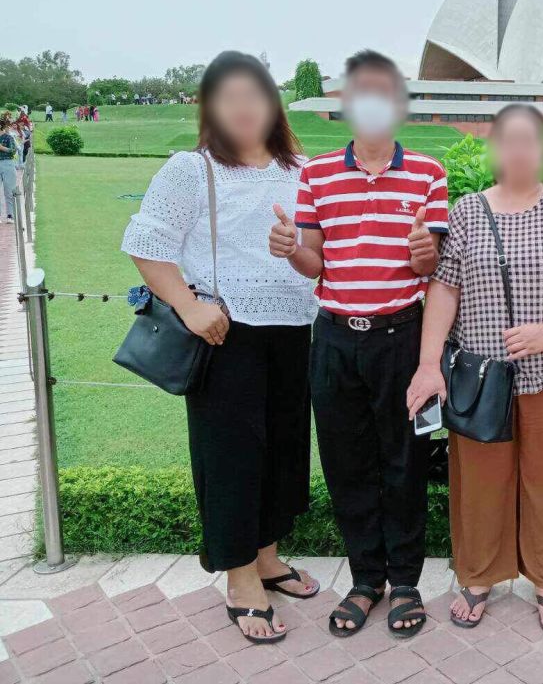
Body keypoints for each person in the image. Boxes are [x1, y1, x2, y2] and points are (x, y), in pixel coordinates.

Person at [121, 51, 321, 646]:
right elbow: (146, 241)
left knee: (284, 446)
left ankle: (266, 556)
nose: (243, 107)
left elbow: (317, 246)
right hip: (222, 331)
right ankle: (239, 579)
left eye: (254, 95)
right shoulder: (193, 169)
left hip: (292, 327)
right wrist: (188, 304)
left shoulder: (301, 169)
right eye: (228, 96)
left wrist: (296, 244)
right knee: (231, 454)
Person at [406, 104, 543, 633]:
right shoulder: (468, 212)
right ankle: (477, 575)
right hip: (481, 377)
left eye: (530, 140)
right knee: (480, 480)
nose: (519, 150)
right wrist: (430, 363)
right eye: (509, 140)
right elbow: (445, 289)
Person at [269, 49, 448, 640]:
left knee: (404, 461)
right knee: (347, 462)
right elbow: (313, 262)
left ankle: (405, 581)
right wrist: (289, 247)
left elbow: (437, 264)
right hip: (337, 338)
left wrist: (427, 253)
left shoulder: (427, 172)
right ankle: (366, 579)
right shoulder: (318, 174)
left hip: (401, 335)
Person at [0, 114, 22, 223]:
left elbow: (13, 151)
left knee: (9, 191)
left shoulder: (8, 137)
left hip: (7, 163)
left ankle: (10, 215)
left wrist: (2, 148)